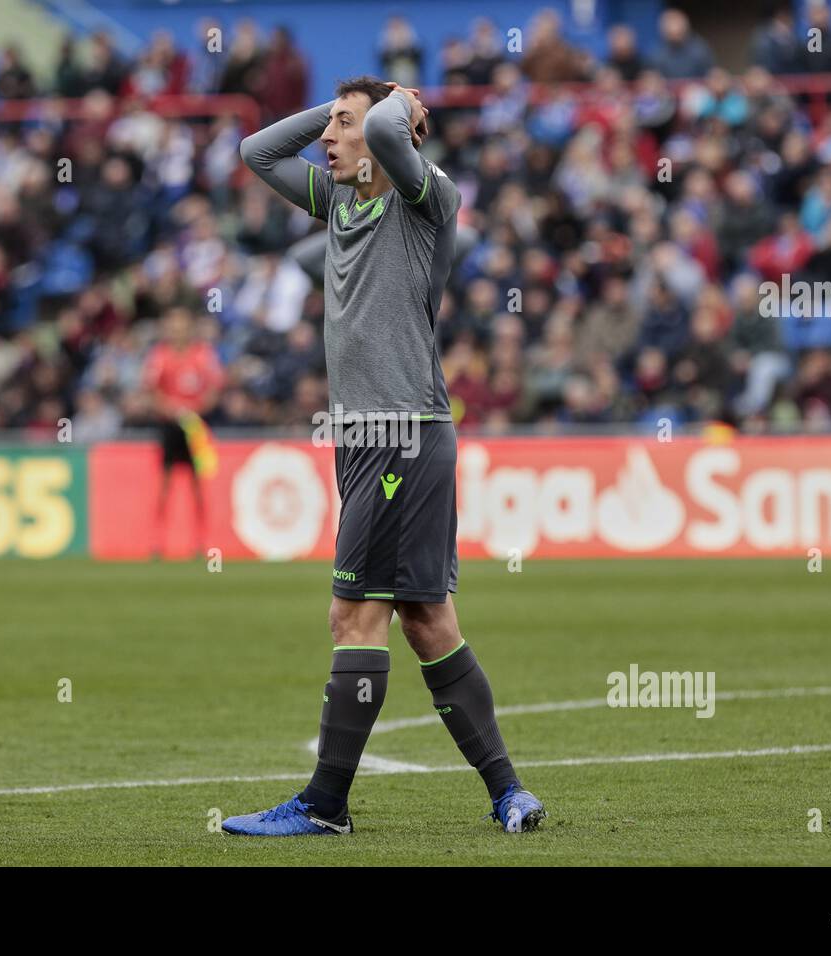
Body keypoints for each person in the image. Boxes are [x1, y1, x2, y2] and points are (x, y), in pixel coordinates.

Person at [231, 76, 544, 835]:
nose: (326, 139)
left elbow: (380, 139)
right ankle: (509, 793)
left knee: (353, 615)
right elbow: (255, 150)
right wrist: (342, 107)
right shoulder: (342, 200)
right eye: (328, 124)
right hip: (367, 436)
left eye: (342, 126)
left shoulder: (421, 196)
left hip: (401, 431)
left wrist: (393, 106)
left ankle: (324, 805)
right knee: (427, 620)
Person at [141, 307, 224, 558]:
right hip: (169, 426)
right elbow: (151, 390)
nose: (177, 331)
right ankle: (157, 542)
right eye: (173, 326)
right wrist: (172, 409)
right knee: (164, 484)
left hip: (195, 427)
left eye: (182, 325)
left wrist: (195, 409)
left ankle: (201, 542)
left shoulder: (202, 354)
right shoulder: (160, 355)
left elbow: (215, 386)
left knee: (198, 484)